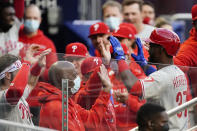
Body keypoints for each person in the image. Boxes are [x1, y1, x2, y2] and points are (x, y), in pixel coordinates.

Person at [108, 28, 189, 130]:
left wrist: (120, 59)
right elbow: (161, 80)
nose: (148, 49)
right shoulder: (177, 71)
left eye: (152, 46)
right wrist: (144, 66)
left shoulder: (162, 77)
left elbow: (134, 87)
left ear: (161, 49)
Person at [38, 61, 113, 130]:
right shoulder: (56, 107)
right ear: (63, 80)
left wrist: (105, 91)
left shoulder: (66, 101)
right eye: (74, 75)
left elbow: (91, 121)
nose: (78, 79)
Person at [0, 45, 51, 131]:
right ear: (8, 75)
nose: (23, 74)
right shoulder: (3, 97)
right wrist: (27, 62)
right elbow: (16, 90)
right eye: (19, 71)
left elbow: (31, 83)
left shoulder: (16, 94)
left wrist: (38, 66)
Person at [19, 4, 57, 82]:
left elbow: (52, 73)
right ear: (23, 19)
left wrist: (38, 66)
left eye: (35, 18)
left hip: (38, 89)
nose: (32, 21)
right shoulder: (14, 38)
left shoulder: (48, 43)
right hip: (15, 85)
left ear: (40, 20)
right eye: (28, 18)